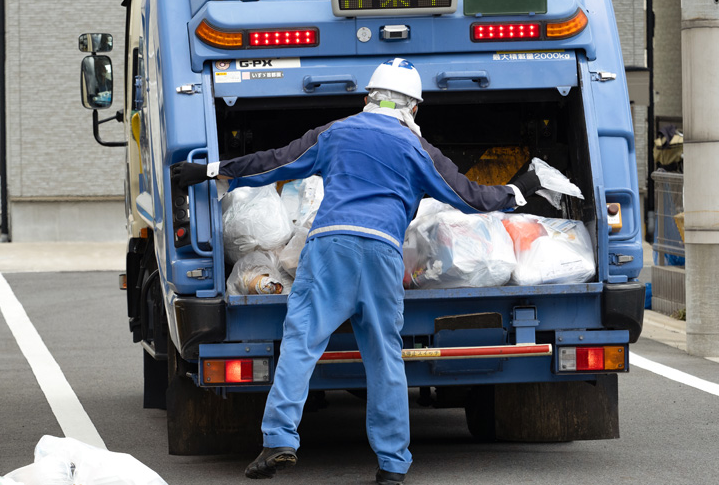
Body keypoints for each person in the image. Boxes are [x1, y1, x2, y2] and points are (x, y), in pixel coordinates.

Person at [172, 58, 541, 484]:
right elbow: (470, 198)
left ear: (367, 98)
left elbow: (276, 163)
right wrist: (518, 191)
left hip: (331, 247)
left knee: (301, 341)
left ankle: (279, 439)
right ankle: (392, 465)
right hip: (383, 253)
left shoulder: (336, 131)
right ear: (415, 108)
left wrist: (212, 171)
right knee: (384, 357)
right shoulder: (417, 148)